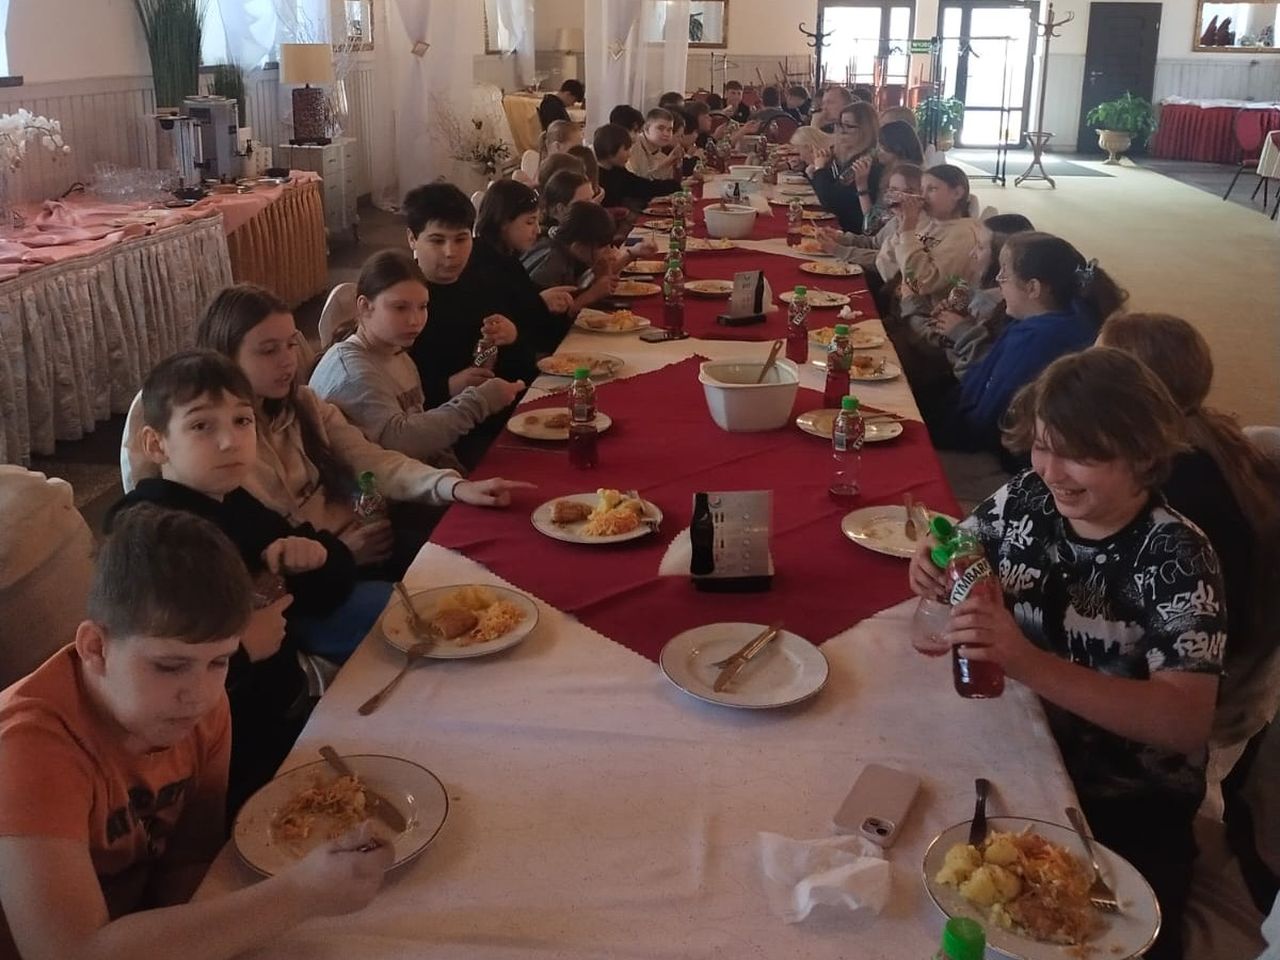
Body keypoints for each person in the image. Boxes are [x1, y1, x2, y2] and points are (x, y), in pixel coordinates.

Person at [911, 348, 1227, 960]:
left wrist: (1025, 660)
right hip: (1012, 746)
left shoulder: (1177, 557)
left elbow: (1184, 720)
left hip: (1119, 802)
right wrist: (933, 561)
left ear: (1143, 454)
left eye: (1082, 455)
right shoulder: (1030, 496)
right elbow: (965, 548)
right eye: (1042, 445)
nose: (1053, 471)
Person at [0, 505, 393, 960]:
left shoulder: (198, 709)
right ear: (95, 648)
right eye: (170, 666)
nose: (201, 694)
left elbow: (188, 865)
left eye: (220, 661)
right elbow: (69, 953)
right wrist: (300, 895)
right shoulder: (29, 748)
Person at [114, 352, 369, 811]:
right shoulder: (152, 537)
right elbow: (149, 681)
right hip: (222, 758)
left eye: (242, 421)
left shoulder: (237, 504)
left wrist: (316, 558)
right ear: (156, 445)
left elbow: (331, 590)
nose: (230, 441)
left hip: (283, 717)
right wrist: (244, 648)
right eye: (201, 426)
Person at [1098, 313, 1280, 750]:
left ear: (1131, 394)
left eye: (1094, 365)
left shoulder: (1172, 491)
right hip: (1217, 671)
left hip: (1185, 701)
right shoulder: (1209, 440)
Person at [310, 251, 528, 468]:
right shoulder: (352, 372)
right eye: (400, 308)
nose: (415, 320)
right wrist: (480, 401)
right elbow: (400, 442)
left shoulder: (397, 353)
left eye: (422, 307)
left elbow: (423, 433)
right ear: (365, 306)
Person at [922, 232, 1128, 457]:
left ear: (1033, 288)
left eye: (1004, 273)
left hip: (998, 456)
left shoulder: (1039, 340)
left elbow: (985, 424)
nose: (998, 280)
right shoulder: (1061, 320)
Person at [404, 183, 539, 414]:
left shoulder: (486, 283)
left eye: (461, 239)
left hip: (498, 410)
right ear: (412, 239)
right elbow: (388, 391)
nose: (450, 252)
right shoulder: (401, 300)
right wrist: (447, 387)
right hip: (439, 421)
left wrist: (513, 337)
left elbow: (525, 368)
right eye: (437, 241)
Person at [930, 212, 1035, 376]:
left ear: (1001, 258)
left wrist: (957, 331)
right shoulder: (980, 293)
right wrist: (950, 321)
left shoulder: (995, 305)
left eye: (980, 247)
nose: (972, 254)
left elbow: (969, 371)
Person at [818, 162, 923, 269]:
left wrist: (838, 250)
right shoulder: (896, 219)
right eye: (894, 190)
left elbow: (885, 260)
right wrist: (840, 238)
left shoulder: (919, 227)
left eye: (908, 192)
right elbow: (874, 243)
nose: (899, 197)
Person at [522, 201, 619, 314]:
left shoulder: (570, 254)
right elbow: (540, 317)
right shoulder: (552, 263)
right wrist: (591, 295)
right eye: (603, 247)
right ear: (579, 246)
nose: (609, 251)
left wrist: (600, 278)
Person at [809, 100, 882, 234]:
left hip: (854, 234)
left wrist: (820, 169)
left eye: (849, 126)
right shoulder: (845, 156)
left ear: (865, 131)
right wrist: (815, 171)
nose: (842, 131)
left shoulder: (864, 162)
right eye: (840, 124)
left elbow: (830, 201)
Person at [594, 122, 680, 210]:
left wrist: (675, 185)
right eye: (626, 149)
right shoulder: (594, 177)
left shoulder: (618, 171)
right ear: (610, 149)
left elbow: (642, 186)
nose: (629, 154)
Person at [627, 107, 683, 180]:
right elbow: (634, 183)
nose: (666, 134)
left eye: (669, 130)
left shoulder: (663, 157)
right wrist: (664, 166)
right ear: (646, 128)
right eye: (660, 128)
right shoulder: (633, 146)